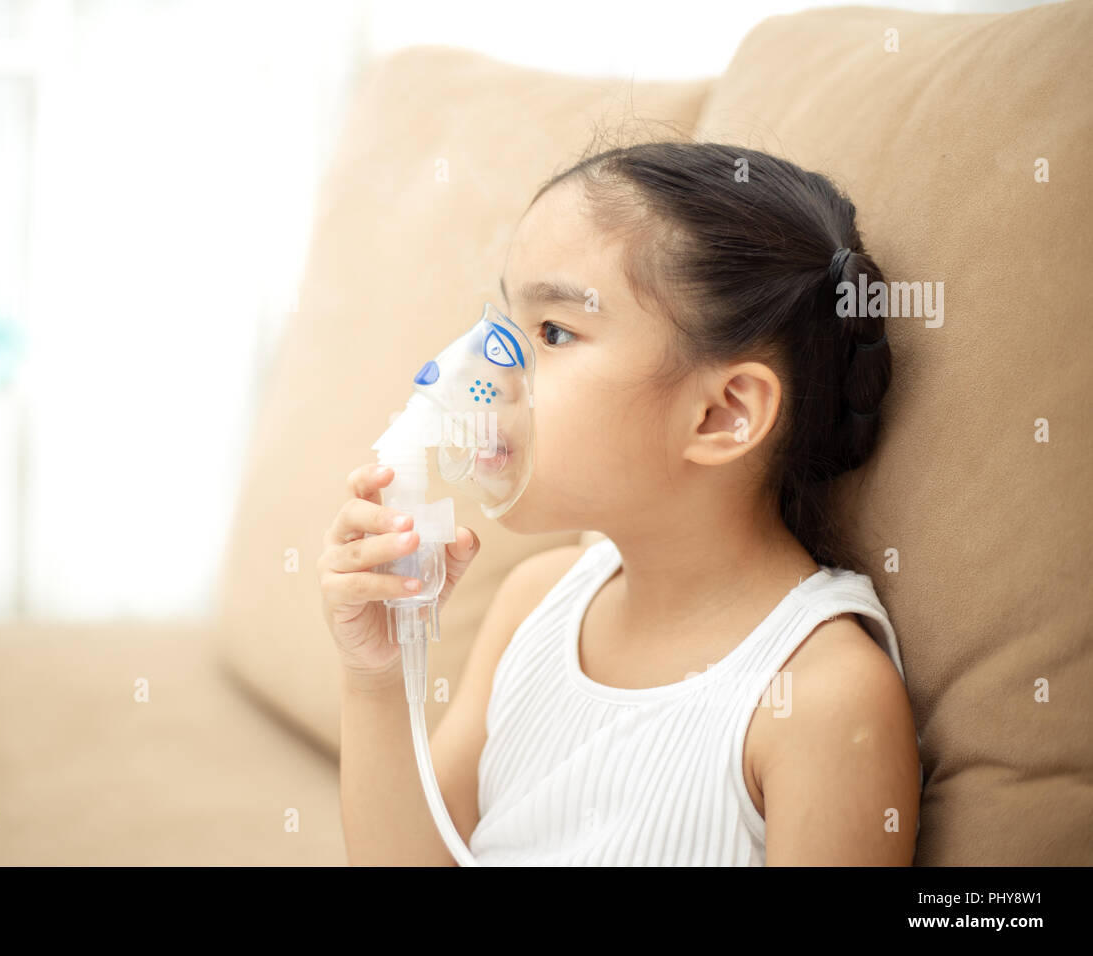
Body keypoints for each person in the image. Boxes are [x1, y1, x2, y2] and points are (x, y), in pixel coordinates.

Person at [320, 138, 922, 865]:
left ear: (722, 414)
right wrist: (378, 677)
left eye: (552, 332)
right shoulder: (532, 605)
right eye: (508, 324)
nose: (488, 366)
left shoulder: (823, 701)